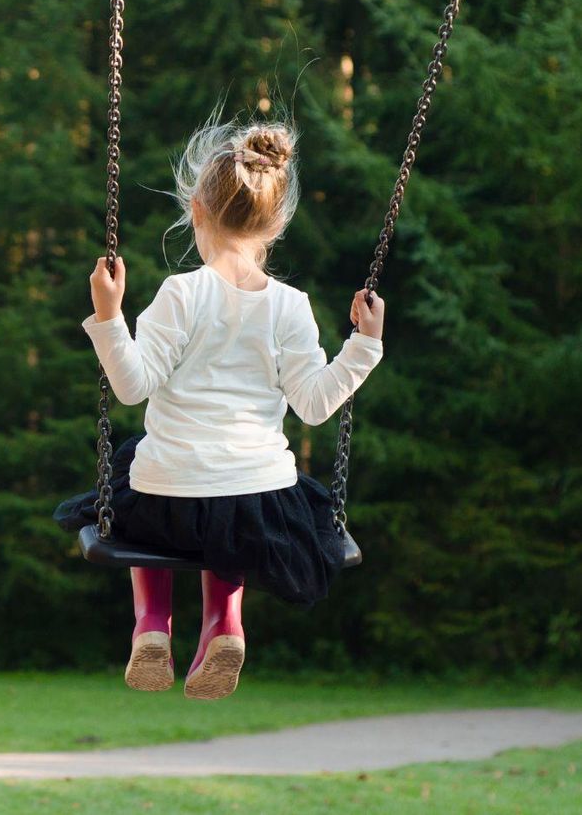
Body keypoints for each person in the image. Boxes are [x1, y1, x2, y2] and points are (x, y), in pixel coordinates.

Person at [53, 111, 385, 700]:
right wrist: (364, 346)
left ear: (196, 211)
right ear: (276, 223)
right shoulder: (291, 305)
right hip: (257, 502)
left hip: (167, 498)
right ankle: (225, 625)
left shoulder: (181, 293)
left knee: (138, 471)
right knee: (233, 512)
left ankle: (152, 625)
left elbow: (132, 386)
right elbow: (313, 406)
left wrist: (108, 316)